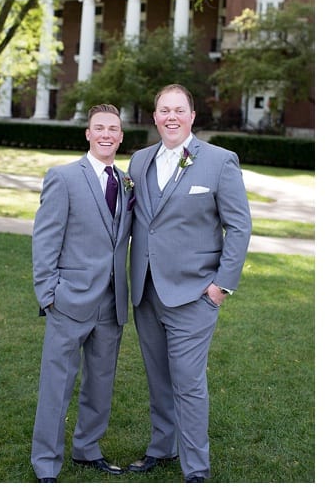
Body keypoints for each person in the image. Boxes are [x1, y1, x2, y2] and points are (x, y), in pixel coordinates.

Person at [126, 84, 251, 482]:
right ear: (155, 116)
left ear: (192, 116)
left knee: (188, 383)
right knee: (158, 378)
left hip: (195, 295)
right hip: (146, 291)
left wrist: (220, 287)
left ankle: (196, 468)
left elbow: (240, 226)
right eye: (164, 110)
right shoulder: (139, 162)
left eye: (179, 110)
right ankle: (162, 447)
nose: (171, 117)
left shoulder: (219, 161)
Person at [31, 104, 133, 482]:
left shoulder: (125, 182)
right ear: (88, 134)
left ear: (121, 137)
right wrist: (49, 293)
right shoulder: (63, 177)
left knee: (100, 383)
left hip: (112, 302)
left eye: (113, 129)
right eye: (99, 128)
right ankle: (46, 462)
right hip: (68, 299)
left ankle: (87, 448)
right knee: (56, 385)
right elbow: (45, 240)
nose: (106, 134)